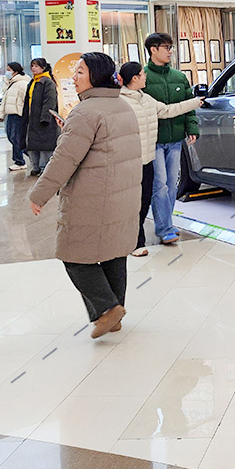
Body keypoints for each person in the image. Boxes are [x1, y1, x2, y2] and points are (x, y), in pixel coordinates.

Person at [29, 52, 141, 338]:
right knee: (114, 254)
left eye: (80, 72)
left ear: (96, 76)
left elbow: (64, 159)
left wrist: (39, 193)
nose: (74, 77)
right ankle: (114, 315)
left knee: (74, 255)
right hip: (123, 195)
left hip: (93, 197)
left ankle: (107, 309)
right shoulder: (123, 106)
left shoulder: (85, 112)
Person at [119, 61, 203, 257]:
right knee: (135, 202)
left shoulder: (146, 99)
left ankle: (152, 232)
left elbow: (167, 110)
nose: (146, 77)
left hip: (148, 159)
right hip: (131, 161)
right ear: (135, 78)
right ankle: (136, 242)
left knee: (146, 199)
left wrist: (194, 103)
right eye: (142, 74)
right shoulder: (121, 102)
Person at [143, 33, 199, 246]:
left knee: (172, 185)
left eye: (171, 47)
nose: (170, 51)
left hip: (175, 140)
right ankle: (164, 229)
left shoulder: (179, 77)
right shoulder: (144, 77)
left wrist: (191, 128)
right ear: (153, 49)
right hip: (154, 140)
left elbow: (188, 104)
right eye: (166, 47)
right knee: (160, 185)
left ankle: (167, 222)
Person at [21, 57, 60, 176]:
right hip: (32, 119)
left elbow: (49, 101)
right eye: (32, 66)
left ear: (43, 68)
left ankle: (44, 168)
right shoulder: (33, 82)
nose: (33, 68)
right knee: (32, 145)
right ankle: (35, 167)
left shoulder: (47, 82)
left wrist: (45, 118)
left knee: (45, 146)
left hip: (43, 120)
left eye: (36, 66)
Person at [0, 62, 30, 171]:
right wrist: (1, 115)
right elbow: (5, 101)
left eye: (9, 70)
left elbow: (26, 100)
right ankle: (31, 155)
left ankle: (19, 161)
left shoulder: (23, 83)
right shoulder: (12, 83)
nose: (7, 72)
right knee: (11, 137)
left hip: (18, 115)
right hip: (11, 114)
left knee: (16, 138)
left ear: (15, 71)